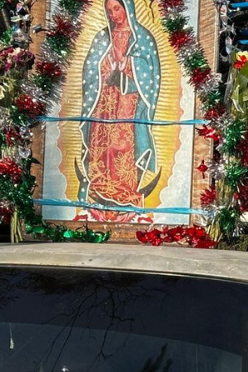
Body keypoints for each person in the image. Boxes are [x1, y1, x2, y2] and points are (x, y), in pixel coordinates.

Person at [79, 0, 161, 222]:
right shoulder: (102, 37)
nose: (114, 14)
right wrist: (105, 65)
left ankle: (125, 195)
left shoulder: (142, 38)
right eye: (109, 10)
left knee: (122, 147)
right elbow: (89, 69)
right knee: (101, 146)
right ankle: (98, 193)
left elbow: (151, 74)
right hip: (103, 103)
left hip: (128, 103)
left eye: (117, 8)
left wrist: (127, 64)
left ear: (128, 9)